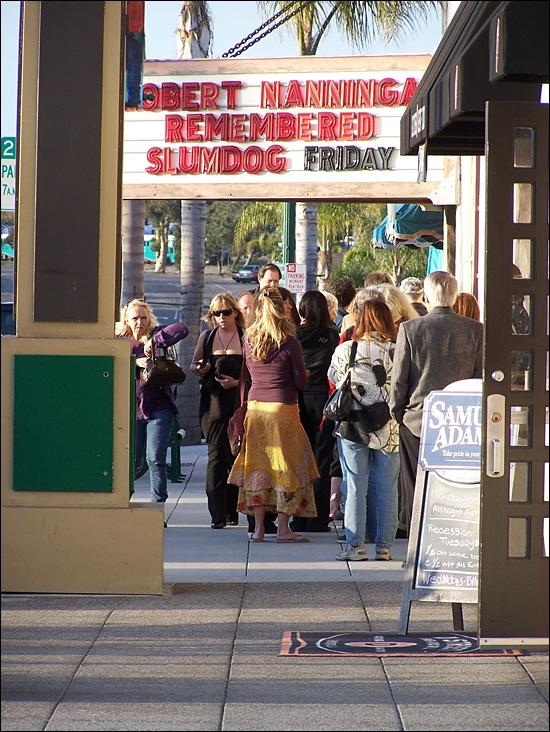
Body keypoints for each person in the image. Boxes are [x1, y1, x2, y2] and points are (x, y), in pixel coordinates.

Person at [390, 271, 483, 535]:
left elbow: (400, 378)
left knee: (414, 482)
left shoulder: (410, 329)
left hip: (418, 417)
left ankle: (414, 528)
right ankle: (449, 528)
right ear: (453, 296)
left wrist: (398, 411)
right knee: (454, 482)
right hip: (460, 420)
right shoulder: (475, 330)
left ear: (428, 296)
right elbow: (479, 377)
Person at [228, 287, 319, 542]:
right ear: (281, 309)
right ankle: (283, 528)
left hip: (256, 409)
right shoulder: (289, 341)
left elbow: (245, 378)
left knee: (258, 466)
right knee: (285, 466)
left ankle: (258, 529)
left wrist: (245, 406)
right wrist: (306, 376)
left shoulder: (249, 340)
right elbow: (300, 381)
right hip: (283, 409)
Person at [328, 300, 399, 561]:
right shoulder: (396, 350)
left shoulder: (347, 349)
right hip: (388, 426)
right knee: (387, 489)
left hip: (353, 425)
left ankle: (355, 546)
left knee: (355, 485)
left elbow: (335, 380)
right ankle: (385, 547)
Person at [116, 299, 189, 506]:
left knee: (154, 459)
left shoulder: (157, 335)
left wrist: (154, 342)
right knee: (132, 462)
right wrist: (134, 362)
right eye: (135, 318)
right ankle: (122, 502)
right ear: (126, 320)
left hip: (158, 407)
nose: (139, 322)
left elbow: (181, 329)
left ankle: (158, 506)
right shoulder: (119, 340)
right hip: (130, 409)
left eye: (143, 317)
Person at [191, 293, 245, 529]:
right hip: (212, 404)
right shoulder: (207, 336)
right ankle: (217, 514)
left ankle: (233, 511)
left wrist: (237, 383)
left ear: (235, 312)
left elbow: (253, 370)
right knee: (216, 456)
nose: (221, 317)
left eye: (226, 312)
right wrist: (202, 368)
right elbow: (194, 366)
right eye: (216, 313)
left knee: (235, 457)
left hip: (238, 404)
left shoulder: (245, 337)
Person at [292, 290, 340, 533]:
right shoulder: (333, 336)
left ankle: (299, 514)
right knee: (321, 459)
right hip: (325, 399)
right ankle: (319, 516)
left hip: (300, 399)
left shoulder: (296, 335)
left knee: (300, 458)